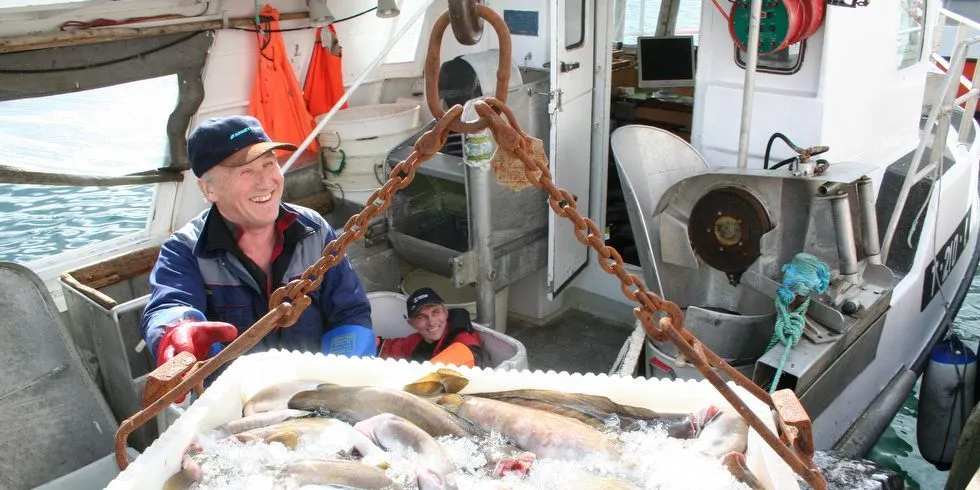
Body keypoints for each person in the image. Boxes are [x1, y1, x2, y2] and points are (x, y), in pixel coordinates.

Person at [140, 115, 373, 368]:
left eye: (269, 164)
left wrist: (338, 379)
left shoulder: (314, 229)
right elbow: (170, 306)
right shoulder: (185, 249)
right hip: (236, 399)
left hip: (313, 390)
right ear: (209, 190)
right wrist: (178, 332)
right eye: (246, 171)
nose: (265, 182)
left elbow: (349, 312)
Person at [377, 287, 484, 367]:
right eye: (421, 317)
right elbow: (385, 347)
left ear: (446, 312)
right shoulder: (415, 341)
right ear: (411, 323)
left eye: (436, 312)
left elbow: (472, 355)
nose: (431, 322)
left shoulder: (463, 336)